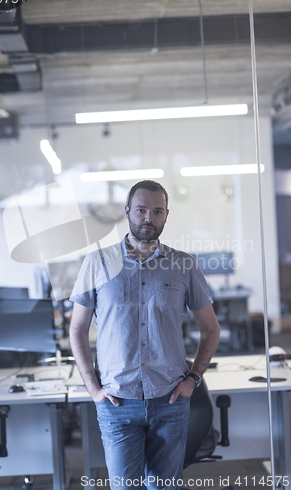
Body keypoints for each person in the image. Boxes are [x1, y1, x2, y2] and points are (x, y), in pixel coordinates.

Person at [69, 180, 220, 490]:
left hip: (170, 401)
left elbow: (211, 328)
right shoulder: (97, 263)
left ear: (166, 215)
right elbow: (77, 329)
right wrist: (93, 388)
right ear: (127, 212)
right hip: (117, 403)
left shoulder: (183, 265)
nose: (148, 218)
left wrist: (194, 379)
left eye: (157, 211)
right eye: (141, 210)